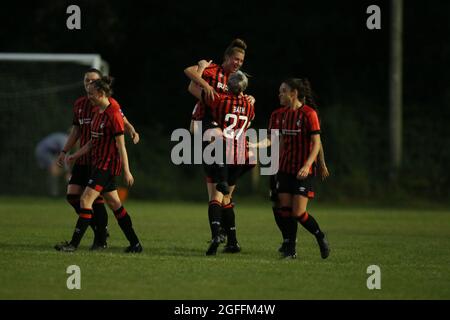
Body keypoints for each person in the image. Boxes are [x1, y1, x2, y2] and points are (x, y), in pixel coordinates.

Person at [55, 76, 142, 253]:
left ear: (101, 93)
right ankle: (135, 244)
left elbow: (121, 146)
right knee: (116, 205)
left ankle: (73, 244)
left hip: (107, 166)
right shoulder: (97, 112)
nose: (89, 97)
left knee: (85, 200)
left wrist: (127, 171)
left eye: (91, 94)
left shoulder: (114, 115)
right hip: (97, 164)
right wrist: (74, 155)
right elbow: (92, 143)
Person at [184, 38, 255, 244]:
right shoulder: (212, 69)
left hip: (228, 133)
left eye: (241, 60)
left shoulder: (237, 78)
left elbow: (240, 104)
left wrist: (250, 100)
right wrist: (205, 84)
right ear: (227, 58)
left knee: (223, 195)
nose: (238, 63)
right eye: (236, 59)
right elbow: (191, 80)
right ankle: (224, 235)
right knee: (217, 189)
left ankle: (224, 234)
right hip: (210, 127)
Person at [255, 78, 330, 259]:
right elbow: (272, 139)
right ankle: (290, 250)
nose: (279, 94)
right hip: (285, 169)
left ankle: (320, 236)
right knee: (285, 211)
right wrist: (255, 145)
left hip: (302, 171)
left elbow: (316, 143)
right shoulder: (278, 115)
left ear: (293, 93)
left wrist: (308, 165)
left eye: (282, 91)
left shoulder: (308, 114)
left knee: (298, 213)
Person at [35, 131, 70, 196]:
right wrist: (67, 171)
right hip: (44, 152)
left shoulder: (63, 137)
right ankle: (53, 194)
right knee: (54, 171)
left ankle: (52, 192)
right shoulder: (65, 140)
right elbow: (64, 157)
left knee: (55, 171)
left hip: (43, 151)